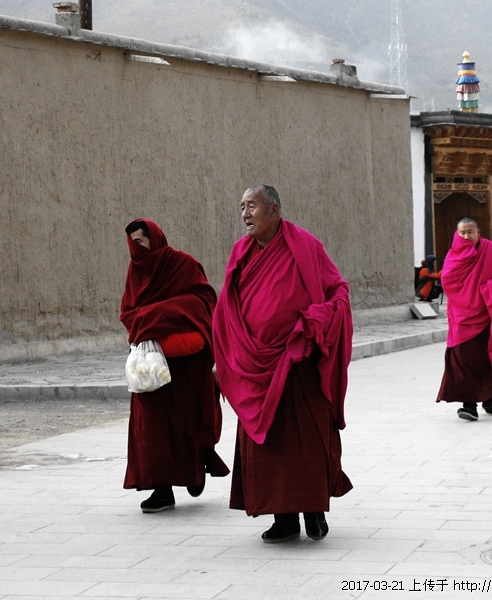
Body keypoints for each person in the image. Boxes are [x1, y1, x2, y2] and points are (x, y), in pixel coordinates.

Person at [212, 185, 354, 543]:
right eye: (242, 207)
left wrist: (318, 319)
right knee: (268, 445)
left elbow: (338, 291)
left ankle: (314, 511)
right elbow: (228, 305)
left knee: (308, 441)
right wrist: (228, 354)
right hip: (255, 364)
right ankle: (283, 518)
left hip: (298, 363)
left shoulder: (305, 246)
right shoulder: (241, 253)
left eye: (252, 206)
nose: (245, 214)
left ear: (274, 209)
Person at [120, 219, 229, 513]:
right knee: (152, 428)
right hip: (152, 367)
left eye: (140, 242)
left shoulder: (182, 264)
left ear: (154, 239)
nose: (136, 249)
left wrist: (156, 315)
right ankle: (161, 490)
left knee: (187, 421)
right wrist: (146, 321)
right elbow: (129, 313)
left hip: (187, 366)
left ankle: (195, 471)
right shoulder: (136, 272)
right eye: (132, 244)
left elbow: (203, 301)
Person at [436, 217, 492, 421]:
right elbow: (448, 282)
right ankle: (469, 405)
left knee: (489, 358)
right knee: (464, 360)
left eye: (470, 232)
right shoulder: (453, 256)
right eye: (462, 233)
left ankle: (489, 397)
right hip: (462, 317)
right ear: (457, 234)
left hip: (489, 315)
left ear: (478, 232)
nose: (467, 236)